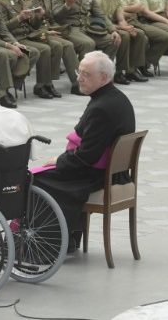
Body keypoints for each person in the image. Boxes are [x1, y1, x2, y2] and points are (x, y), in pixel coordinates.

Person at [34, 51, 135, 252]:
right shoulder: (114, 98)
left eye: (86, 74)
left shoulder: (102, 107)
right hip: (111, 172)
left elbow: (85, 157)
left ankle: (45, 246)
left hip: (98, 175)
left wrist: (59, 160)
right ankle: (68, 239)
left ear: (104, 78)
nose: (79, 78)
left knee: (36, 181)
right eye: (79, 72)